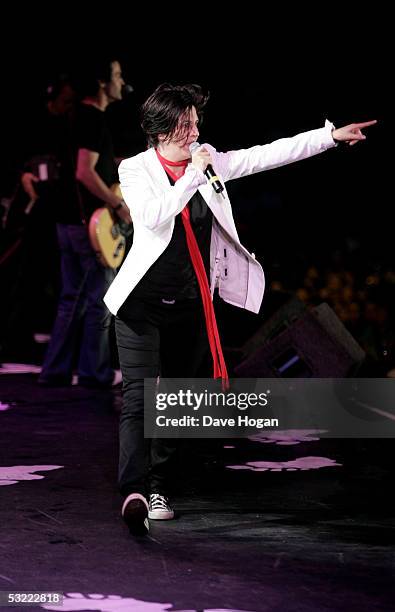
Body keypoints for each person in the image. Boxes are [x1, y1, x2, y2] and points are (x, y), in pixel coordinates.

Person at [102, 82, 376, 534]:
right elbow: (154, 216)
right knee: (138, 397)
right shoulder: (136, 169)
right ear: (158, 129)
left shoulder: (209, 161)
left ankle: (158, 485)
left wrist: (329, 137)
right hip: (140, 304)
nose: (193, 131)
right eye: (183, 123)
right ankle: (133, 490)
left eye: (195, 121)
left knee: (174, 401)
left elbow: (266, 154)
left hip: (190, 304)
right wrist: (193, 172)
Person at [38, 58, 132, 388]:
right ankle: (95, 373)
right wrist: (117, 203)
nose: (122, 81)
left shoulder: (76, 116)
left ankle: (55, 371)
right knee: (99, 302)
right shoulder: (92, 118)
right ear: (102, 83)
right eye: (118, 75)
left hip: (68, 223)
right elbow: (83, 172)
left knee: (71, 301)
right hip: (88, 227)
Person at [0, 74, 76, 361]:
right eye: (65, 101)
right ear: (53, 99)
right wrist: (24, 177)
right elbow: (21, 167)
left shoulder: (68, 129)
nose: (69, 106)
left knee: (55, 280)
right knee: (28, 277)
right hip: (34, 216)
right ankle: (16, 338)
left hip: (55, 213)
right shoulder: (32, 126)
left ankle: (46, 340)